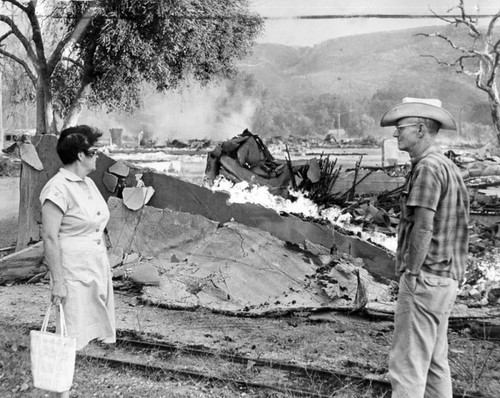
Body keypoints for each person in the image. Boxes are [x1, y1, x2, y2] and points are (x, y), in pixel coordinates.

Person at [380, 98, 469, 398]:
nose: (395, 135)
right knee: (434, 363)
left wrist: (413, 273)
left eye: (400, 128)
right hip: (446, 278)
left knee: (407, 366)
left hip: (426, 278)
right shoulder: (448, 166)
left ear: (420, 129)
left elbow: (424, 226)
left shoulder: (428, 169)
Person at [40, 125, 116, 398]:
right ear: (80, 155)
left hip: (94, 264)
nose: (98, 156)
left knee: (84, 330)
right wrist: (58, 281)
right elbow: (49, 237)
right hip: (71, 269)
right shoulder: (57, 188)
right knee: (69, 330)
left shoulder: (88, 184)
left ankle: (64, 388)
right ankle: (59, 390)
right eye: (94, 152)